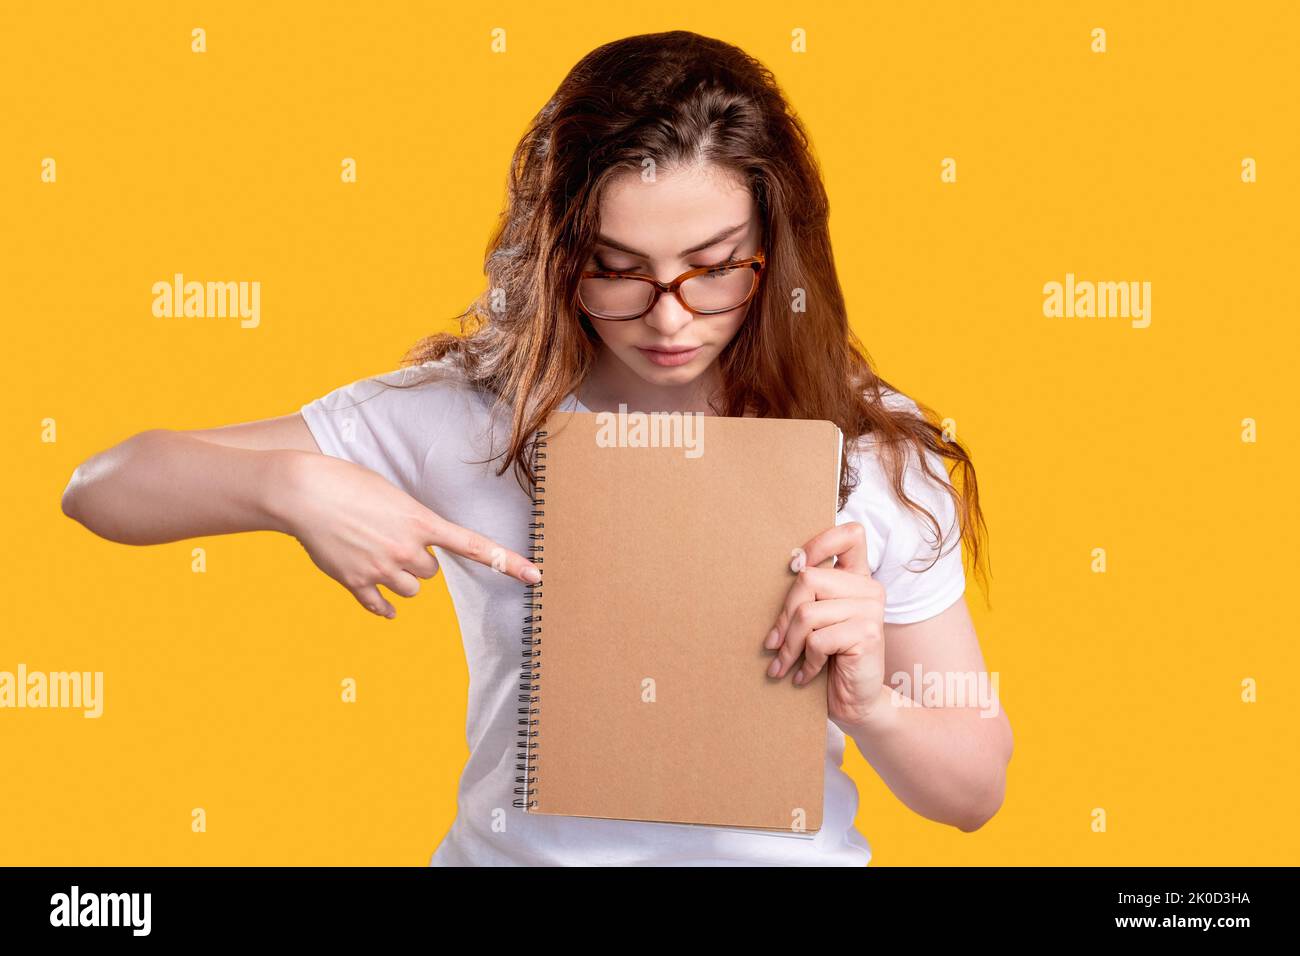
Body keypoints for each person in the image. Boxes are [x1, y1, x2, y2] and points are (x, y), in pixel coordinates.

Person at [61, 30, 1012, 866]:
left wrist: (875, 705)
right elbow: (101, 488)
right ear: (561, 256)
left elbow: (974, 791)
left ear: (777, 249)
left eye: (716, 269)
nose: (671, 316)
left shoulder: (869, 447)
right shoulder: (475, 412)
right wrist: (289, 486)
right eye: (618, 270)